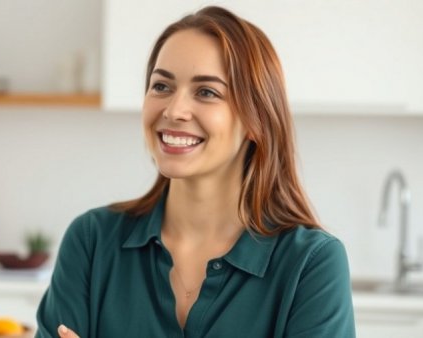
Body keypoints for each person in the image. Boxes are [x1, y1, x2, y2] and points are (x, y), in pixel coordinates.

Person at [35, 5, 355, 338]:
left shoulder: (312, 263)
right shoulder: (92, 241)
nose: (174, 110)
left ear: (255, 121)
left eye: (206, 92)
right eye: (161, 86)